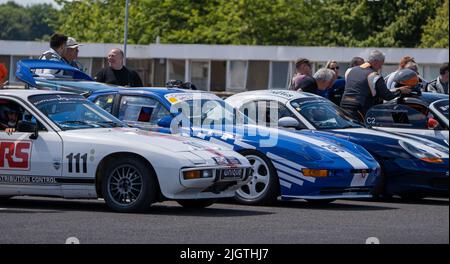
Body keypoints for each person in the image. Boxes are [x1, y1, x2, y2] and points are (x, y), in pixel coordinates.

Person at [340, 50, 411, 121]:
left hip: (343, 107)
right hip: (360, 111)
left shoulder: (349, 71)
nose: (380, 68)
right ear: (376, 62)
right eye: (380, 65)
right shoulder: (375, 76)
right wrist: (400, 90)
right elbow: (387, 96)